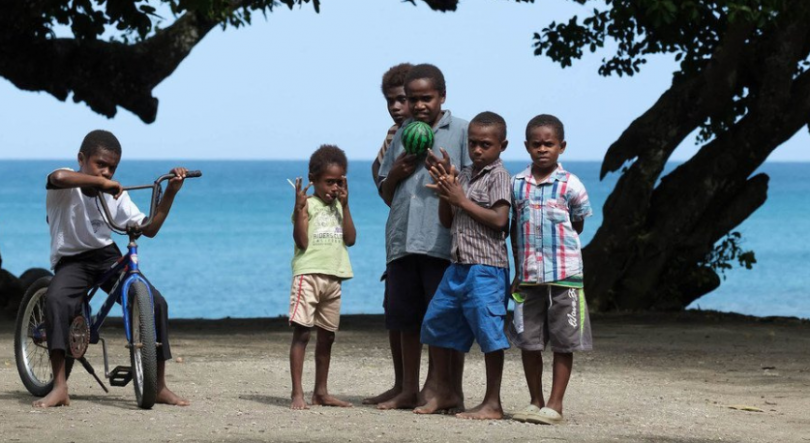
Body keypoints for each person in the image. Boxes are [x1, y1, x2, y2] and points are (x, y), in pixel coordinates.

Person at [38, 129, 190, 408]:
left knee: (155, 302)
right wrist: (99, 182)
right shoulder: (65, 183)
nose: (107, 173)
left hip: (105, 255)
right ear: (81, 158)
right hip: (71, 259)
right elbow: (58, 178)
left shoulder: (114, 193)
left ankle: (158, 385)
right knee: (58, 300)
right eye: (101, 164)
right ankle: (59, 386)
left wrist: (170, 192)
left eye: (112, 168)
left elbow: (150, 228)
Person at [376, 63, 471, 410]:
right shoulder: (403, 133)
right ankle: (407, 389)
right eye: (412, 99)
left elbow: (472, 189)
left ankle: (442, 390)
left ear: (442, 97)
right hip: (402, 241)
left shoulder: (461, 131)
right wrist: (396, 173)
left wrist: (450, 177)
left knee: (441, 319)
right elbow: (387, 194)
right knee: (405, 318)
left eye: (426, 98)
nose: (418, 106)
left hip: (441, 242)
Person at [417, 112, 512, 419]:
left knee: (489, 333)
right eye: (473, 143)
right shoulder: (466, 175)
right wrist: (448, 192)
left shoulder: (499, 176)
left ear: (502, 145)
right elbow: (447, 221)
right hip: (458, 265)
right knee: (436, 323)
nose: (478, 150)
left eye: (485, 144)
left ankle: (492, 402)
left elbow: (500, 221)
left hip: (486, 268)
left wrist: (461, 200)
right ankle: (446, 392)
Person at [508, 114, 593, 425]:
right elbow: (516, 228)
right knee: (528, 339)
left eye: (549, 144)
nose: (542, 149)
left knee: (563, 340)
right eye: (536, 144)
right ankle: (535, 400)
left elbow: (578, 222)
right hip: (529, 276)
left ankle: (555, 405)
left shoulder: (571, 185)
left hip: (565, 275)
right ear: (527, 146)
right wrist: (518, 271)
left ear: (561, 147)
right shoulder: (517, 185)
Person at [288, 145, 355, 410]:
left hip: (334, 278)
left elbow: (350, 239)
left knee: (327, 337)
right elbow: (302, 242)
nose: (334, 188)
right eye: (329, 182)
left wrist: (346, 206)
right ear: (313, 179)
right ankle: (297, 393)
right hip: (309, 276)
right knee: (302, 334)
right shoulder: (308, 205)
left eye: (339, 182)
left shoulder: (339, 206)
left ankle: (321, 392)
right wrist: (300, 212)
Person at [364, 62, 414, 406]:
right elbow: (380, 177)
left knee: (433, 319)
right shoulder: (392, 135)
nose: (395, 107)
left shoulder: (431, 132)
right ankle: (401, 384)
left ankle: (430, 386)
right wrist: (392, 174)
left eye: (401, 100)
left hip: (432, 238)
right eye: (390, 101)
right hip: (400, 236)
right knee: (397, 315)